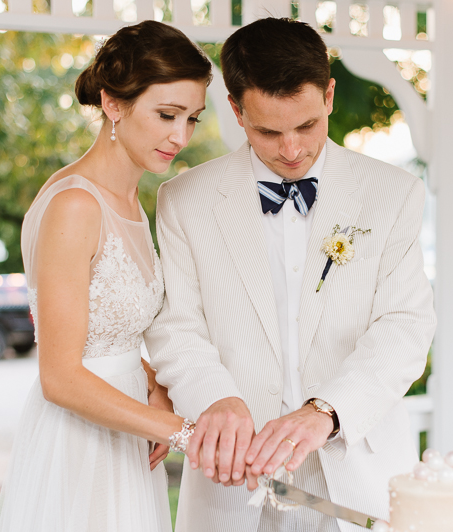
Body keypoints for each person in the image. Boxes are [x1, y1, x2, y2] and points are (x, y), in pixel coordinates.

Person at [144, 17, 437, 532]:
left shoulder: (393, 194)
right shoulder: (183, 201)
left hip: (356, 470)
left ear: (328, 95)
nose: (292, 150)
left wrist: (326, 410)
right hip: (231, 480)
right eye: (268, 131)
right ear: (236, 111)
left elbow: (405, 326)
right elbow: (175, 327)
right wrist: (220, 404)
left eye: (305, 126)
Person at [0, 21, 212, 532]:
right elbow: (61, 375)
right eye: (166, 115)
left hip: (125, 428)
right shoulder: (74, 205)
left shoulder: (132, 200)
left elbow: (100, 331)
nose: (180, 136)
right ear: (114, 104)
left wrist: (153, 381)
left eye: (192, 119)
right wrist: (182, 430)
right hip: (79, 443)